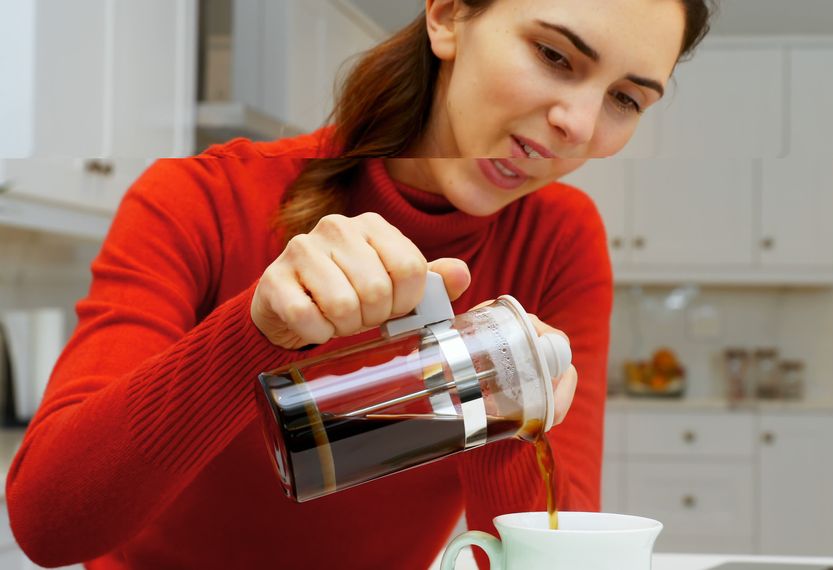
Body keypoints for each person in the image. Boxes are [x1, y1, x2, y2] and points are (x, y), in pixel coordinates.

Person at [6, 0, 711, 567]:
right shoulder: (201, 198)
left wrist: (504, 397)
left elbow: (547, 549)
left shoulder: (556, 239)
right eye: (554, 55)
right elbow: (49, 524)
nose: (578, 126)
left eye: (625, 98)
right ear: (447, 15)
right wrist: (254, 334)